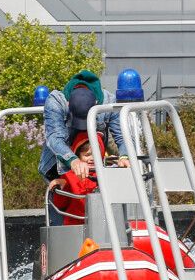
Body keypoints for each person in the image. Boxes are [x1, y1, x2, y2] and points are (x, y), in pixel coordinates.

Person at [37, 70, 130, 225]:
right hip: (62, 168)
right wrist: (72, 162)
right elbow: (55, 138)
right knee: (61, 201)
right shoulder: (56, 101)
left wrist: (124, 156)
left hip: (94, 172)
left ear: (96, 104)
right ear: (68, 105)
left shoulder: (108, 101)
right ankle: (62, 237)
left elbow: (123, 136)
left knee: (101, 209)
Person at [48, 132, 104, 226]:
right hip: (75, 223)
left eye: (95, 154)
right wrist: (61, 184)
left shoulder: (104, 173)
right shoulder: (70, 175)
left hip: (101, 222)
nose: (92, 158)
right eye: (87, 155)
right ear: (78, 156)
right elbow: (60, 204)